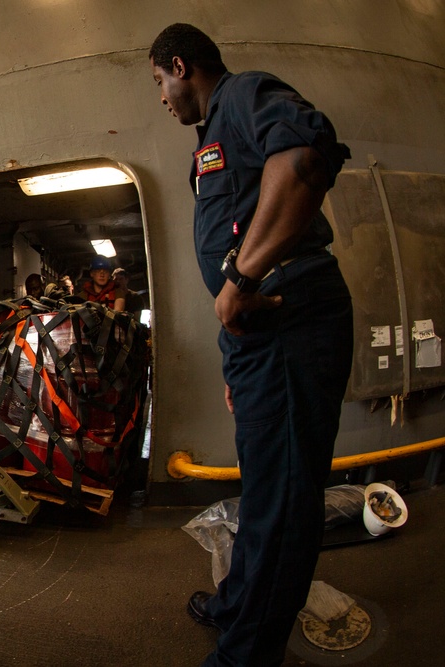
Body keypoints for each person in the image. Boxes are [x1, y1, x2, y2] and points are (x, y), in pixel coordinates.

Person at [149, 23, 353, 666]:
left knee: (285, 503)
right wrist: (239, 362)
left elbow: (303, 161)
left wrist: (239, 279)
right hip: (260, 337)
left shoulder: (241, 96)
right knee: (266, 488)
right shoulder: (210, 140)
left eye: (159, 82)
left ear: (180, 65)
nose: (161, 98)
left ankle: (246, 655)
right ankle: (241, 603)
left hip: (290, 317)